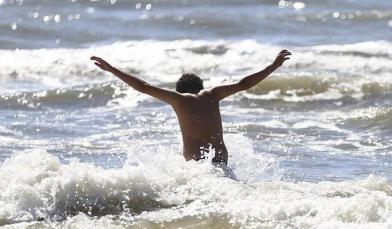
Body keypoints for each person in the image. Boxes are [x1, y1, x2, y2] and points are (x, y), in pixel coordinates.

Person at [91, 50, 291, 165]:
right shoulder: (212, 95)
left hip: (195, 167)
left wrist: (111, 69)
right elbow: (244, 84)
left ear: (180, 91)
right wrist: (273, 66)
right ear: (200, 87)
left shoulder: (179, 100)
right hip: (220, 160)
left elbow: (143, 87)